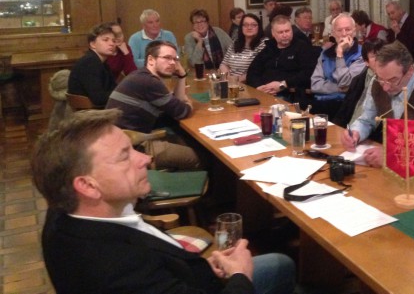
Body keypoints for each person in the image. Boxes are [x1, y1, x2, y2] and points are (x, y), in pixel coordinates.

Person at [32, 108, 296, 294]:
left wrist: (200, 266)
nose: (145, 159)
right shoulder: (116, 268)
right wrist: (240, 274)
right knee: (280, 265)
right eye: (124, 156)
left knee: (281, 264)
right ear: (88, 186)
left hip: (193, 275)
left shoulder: (65, 211)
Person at [341, 41, 414, 168]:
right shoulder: (377, 82)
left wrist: (392, 156)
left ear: (410, 71)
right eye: (381, 79)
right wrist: (355, 133)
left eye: (393, 80)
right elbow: (366, 120)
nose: (385, 87)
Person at [106, 40, 203, 171]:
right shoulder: (148, 82)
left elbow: (175, 104)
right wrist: (189, 104)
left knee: (189, 140)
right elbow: (182, 111)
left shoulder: (141, 76)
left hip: (121, 141)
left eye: (175, 59)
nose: (173, 63)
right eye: (167, 58)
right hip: (132, 147)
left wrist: (181, 75)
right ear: (151, 60)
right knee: (202, 156)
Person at [246, 15, 316, 106]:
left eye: (287, 31)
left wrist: (283, 85)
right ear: (273, 33)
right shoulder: (269, 48)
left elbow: (308, 73)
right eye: (280, 32)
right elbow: (252, 71)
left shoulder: (302, 47)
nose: (285, 35)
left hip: (290, 94)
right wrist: (259, 87)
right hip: (264, 93)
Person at [310, 13, 366, 118]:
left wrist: (339, 55)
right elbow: (315, 85)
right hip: (320, 103)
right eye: (339, 30)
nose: (344, 34)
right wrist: (339, 88)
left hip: (345, 106)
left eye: (348, 29)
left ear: (354, 31)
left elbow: (346, 83)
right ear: (333, 33)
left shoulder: (362, 54)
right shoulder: (325, 53)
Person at [332, 38, 386, 128]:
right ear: (366, 62)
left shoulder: (388, 82)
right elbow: (343, 112)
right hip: (349, 129)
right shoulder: (357, 81)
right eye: (374, 56)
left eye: (382, 55)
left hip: (370, 131)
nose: (380, 59)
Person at [67, 22, 116, 108]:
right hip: (91, 113)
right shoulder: (89, 63)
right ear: (93, 44)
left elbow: (114, 88)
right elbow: (98, 99)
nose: (112, 44)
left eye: (113, 41)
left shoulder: (102, 63)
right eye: (105, 40)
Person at [219, 13, 267, 83]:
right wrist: (228, 77)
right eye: (246, 25)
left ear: (259, 27)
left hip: (249, 84)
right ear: (241, 27)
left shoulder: (264, 43)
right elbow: (224, 64)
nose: (249, 28)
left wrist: (237, 79)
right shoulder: (235, 42)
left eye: (253, 25)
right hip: (230, 82)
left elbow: (261, 70)